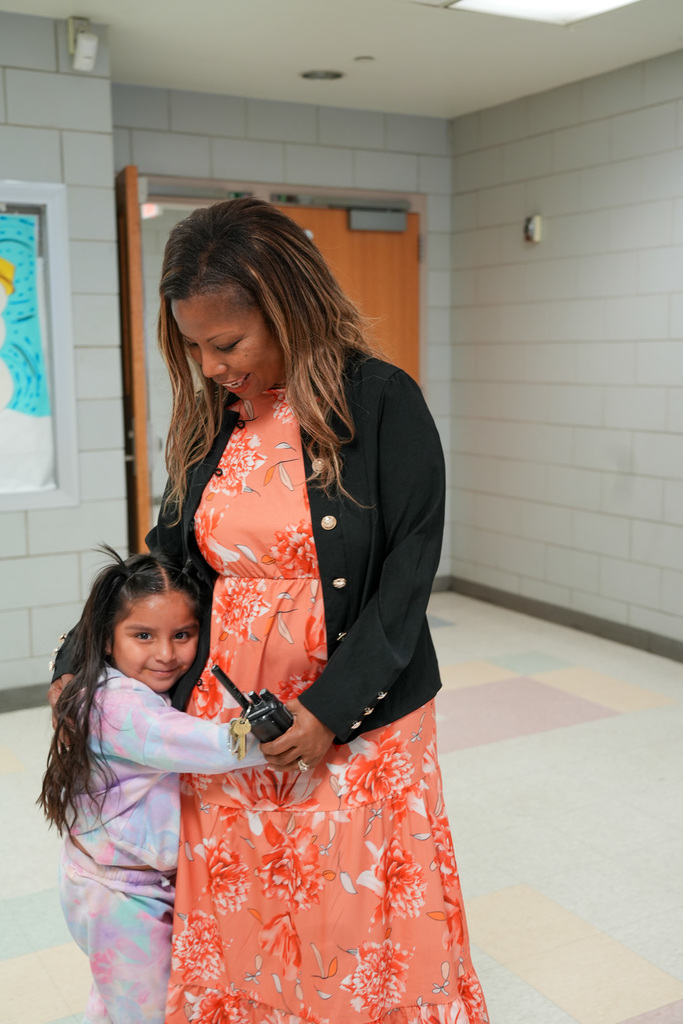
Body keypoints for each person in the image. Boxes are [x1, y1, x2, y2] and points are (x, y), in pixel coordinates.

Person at [53, 197, 488, 1024]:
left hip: (358, 722)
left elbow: (405, 577)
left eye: (227, 343)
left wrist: (327, 710)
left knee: (350, 922)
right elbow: (169, 560)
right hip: (233, 725)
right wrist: (81, 659)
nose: (211, 365)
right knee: (248, 913)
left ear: (288, 309)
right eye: (193, 346)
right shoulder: (212, 421)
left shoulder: (382, 402)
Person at [41, 547, 266, 1024]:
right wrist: (271, 734)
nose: (166, 654)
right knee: (143, 1011)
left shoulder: (122, 689)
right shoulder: (117, 706)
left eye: (182, 635)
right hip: (118, 892)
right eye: (143, 635)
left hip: (124, 879)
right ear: (106, 639)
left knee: (119, 999)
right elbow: (206, 745)